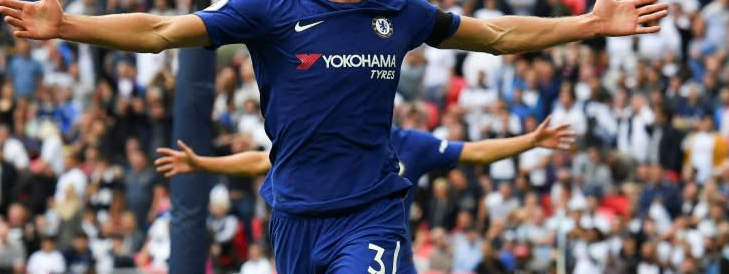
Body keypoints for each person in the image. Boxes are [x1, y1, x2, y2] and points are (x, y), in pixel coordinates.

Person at [0, 0, 668, 273]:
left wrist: (587, 24)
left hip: (370, 216)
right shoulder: (271, 5)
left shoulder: (398, 9)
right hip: (292, 218)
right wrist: (70, 24)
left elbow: (493, 35)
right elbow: (163, 30)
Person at [155, 117, 575, 273]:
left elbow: (476, 152)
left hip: (390, 254)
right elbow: (264, 161)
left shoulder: (414, 145)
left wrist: (531, 141)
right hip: (319, 245)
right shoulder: (332, 138)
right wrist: (203, 163)